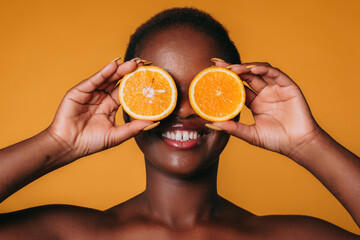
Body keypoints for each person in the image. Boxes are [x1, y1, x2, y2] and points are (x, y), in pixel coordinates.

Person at [0, 7, 359, 239]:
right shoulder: (65, 234)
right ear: (126, 102)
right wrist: (58, 143)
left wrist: (308, 143)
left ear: (236, 101)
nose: (183, 111)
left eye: (207, 90)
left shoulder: (294, 237)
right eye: (161, 90)